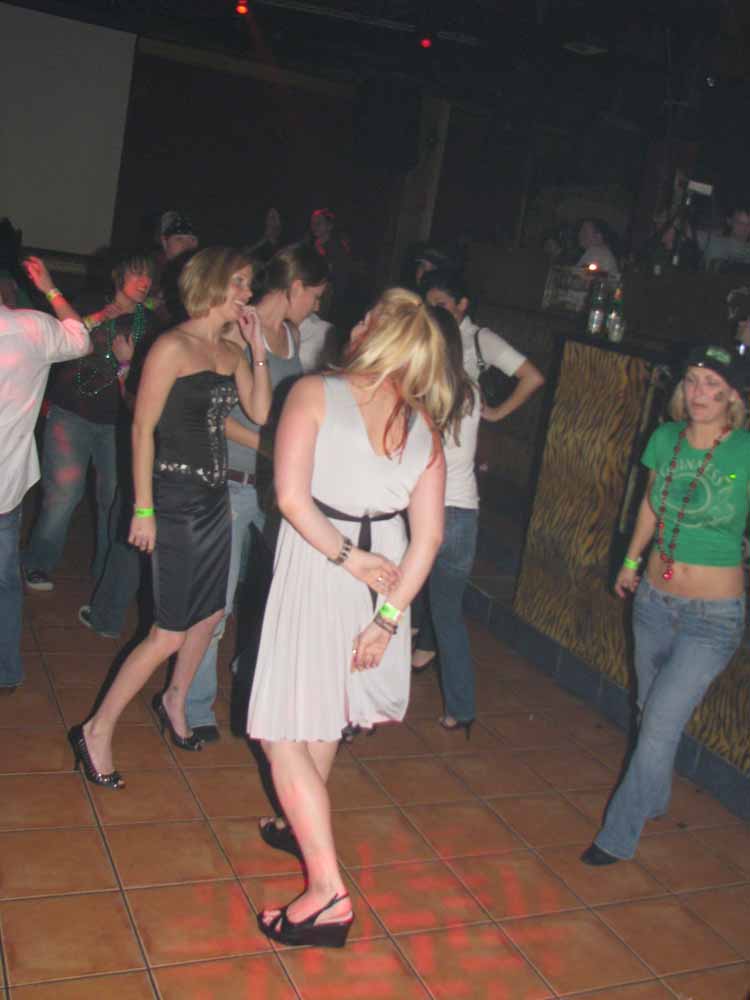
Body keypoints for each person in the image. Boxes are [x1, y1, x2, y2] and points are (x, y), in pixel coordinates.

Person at [247, 288, 452, 948]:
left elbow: (289, 497)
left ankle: (327, 891)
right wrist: (387, 620)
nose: (355, 324)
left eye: (366, 319)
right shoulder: (424, 426)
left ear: (378, 337)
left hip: (324, 563)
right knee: (324, 711)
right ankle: (301, 824)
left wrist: (349, 559)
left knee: (281, 728)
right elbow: (428, 539)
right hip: (386, 577)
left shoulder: (313, 391)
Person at [70, 247, 272, 788]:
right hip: (174, 498)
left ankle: (176, 699)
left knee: (210, 616)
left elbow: (259, 411)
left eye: (248, 284)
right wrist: (143, 507)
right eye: (240, 283)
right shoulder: (171, 346)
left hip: (214, 498)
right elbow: (141, 429)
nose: (248, 293)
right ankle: (95, 729)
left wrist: (257, 349)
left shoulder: (230, 348)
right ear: (213, 284)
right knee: (167, 632)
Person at [581, 344, 748, 865]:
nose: (700, 393)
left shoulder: (745, 449)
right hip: (654, 600)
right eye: (693, 380)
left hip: (713, 617)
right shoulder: (665, 438)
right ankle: (653, 797)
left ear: (734, 396)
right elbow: (650, 506)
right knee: (647, 711)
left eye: (713, 384)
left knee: (657, 723)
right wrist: (630, 561)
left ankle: (617, 836)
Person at [185, 243, 329, 742]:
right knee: (217, 603)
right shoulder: (235, 330)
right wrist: (271, 446)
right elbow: (215, 415)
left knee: (273, 597)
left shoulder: (291, 335)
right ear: (294, 287)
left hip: (273, 491)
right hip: (228, 484)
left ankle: (252, 686)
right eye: (314, 295)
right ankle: (195, 706)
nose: (316, 306)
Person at [23, 252, 157, 592]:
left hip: (118, 423)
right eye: (138, 274)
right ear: (120, 276)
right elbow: (64, 338)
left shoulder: (150, 323)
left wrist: (129, 362)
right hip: (71, 414)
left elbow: (151, 377)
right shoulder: (90, 303)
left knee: (111, 502)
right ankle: (38, 564)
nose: (145, 282)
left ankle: (103, 578)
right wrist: (98, 317)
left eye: (149, 277)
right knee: (64, 495)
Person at [1, 258, 89, 691]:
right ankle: (6, 671)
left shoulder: (28, 328)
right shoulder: (31, 328)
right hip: (5, 487)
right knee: (3, 583)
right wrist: (50, 288)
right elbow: (80, 338)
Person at [412, 306, 481, 734]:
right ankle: (462, 708)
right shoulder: (471, 391)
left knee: (386, 601)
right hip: (464, 514)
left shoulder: (420, 390)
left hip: (424, 511)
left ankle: (366, 699)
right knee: (448, 616)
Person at [699, 205, 750, 272]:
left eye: (749, 224)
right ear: (729, 221)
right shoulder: (713, 241)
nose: (745, 228)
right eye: (740, 223)